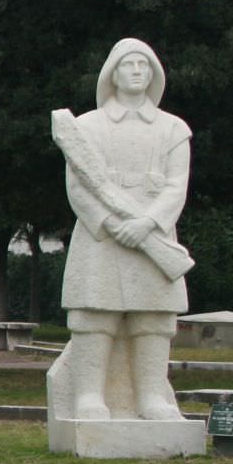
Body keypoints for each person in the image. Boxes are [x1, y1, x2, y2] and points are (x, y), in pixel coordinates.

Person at [51, 37, 193, 422]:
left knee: (153, 319)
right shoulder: (86, 128)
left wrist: (147, 224)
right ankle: (89, 398)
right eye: (128, 64)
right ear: (112, 72)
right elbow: (78, 190)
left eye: (144, 65)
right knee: (95, 317)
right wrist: (114, 226)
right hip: (102, 240)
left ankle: (152, 399)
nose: (136, 71)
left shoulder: (173, 129)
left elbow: (175, 188)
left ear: (154, 75)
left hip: (154, 238)